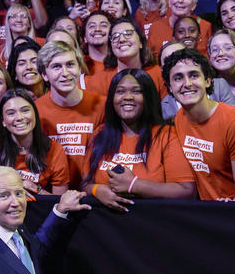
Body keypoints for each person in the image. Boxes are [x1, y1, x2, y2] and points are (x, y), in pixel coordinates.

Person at [84, 68, 196, 212]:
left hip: (151, 224)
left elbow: (187, 191)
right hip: (107, 228)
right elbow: (85, 183)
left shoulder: (166, 135)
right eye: (120, 91)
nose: (128, 97)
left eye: (137, 91)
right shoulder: (99, 134)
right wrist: (97, 190)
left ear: (148, 97)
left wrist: (134, 185)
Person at [163, 48, 235, 201]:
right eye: (178, 78)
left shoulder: (234, 122)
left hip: (233, 215)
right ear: (169, 87)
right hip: (204, 213)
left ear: (207, 81)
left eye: (194, 75)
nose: (187, 84)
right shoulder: (178, 119)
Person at [35, 41, 106, 190]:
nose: (65, 73)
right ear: (44, 75)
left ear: (80, 69)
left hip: (93, 194)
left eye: (70, 64)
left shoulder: (102, 105)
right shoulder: (35, 111)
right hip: (51, 194)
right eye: (56, 67)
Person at [0, 88, 70, 197]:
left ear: (35, 113)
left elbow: (60, 200)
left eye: (25, 110)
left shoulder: (54, 149)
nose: (19, 118)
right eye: (11, 113)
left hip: (38, 208)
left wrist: (36, 190)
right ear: (3, 121)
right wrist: (11, 189)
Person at [147, 0, 212, 57]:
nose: (180, 0)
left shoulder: (205, 27)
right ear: (169, 1)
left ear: (194, 5)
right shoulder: (155, 28)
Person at [82, 11, 111, 77]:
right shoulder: (78, 66)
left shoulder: (121, 64)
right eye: (92, 26)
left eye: (103, 25)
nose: (97, 29)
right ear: (85, 37)